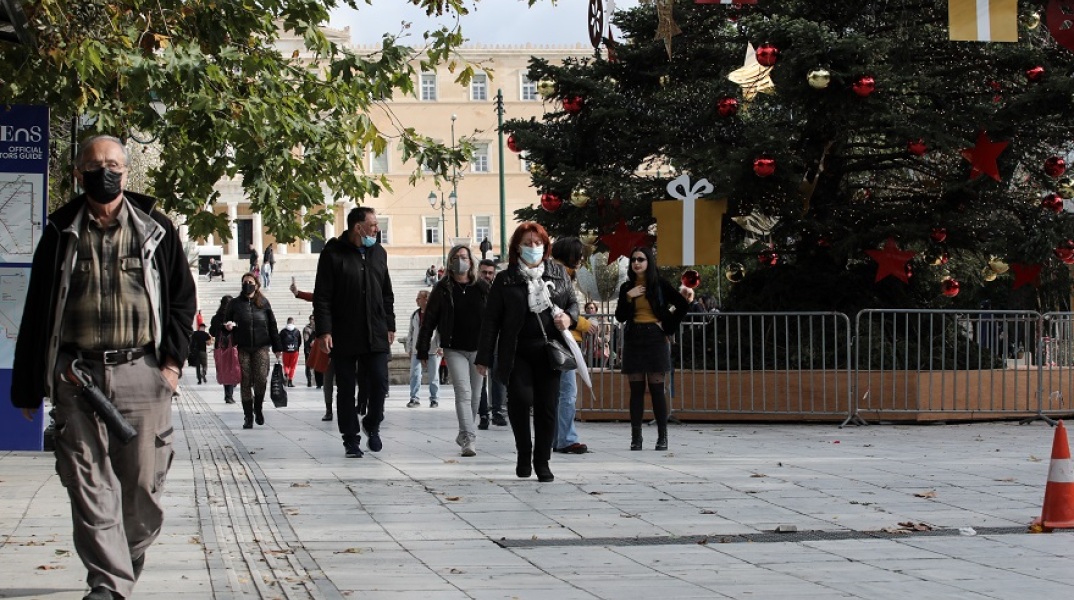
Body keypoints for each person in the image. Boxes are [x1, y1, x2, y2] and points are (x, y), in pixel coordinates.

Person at [10, 134, 196, 600]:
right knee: (87, 481)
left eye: (113, 164)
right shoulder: (60, 231)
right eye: (95, 165)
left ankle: (122, 557)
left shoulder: (156, 227)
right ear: (79, 173)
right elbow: (37, 310)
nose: (105, 172)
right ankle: (108, 583)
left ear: (127, 171)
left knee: (142, 488)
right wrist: (30, 386)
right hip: (77, 374)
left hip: (142, 371)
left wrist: (171, 365)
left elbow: (182, 300)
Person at [476, 222, 577, 483]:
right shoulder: (505, 278)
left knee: (547, 407)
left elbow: (573, 303)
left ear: (545, 246)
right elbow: (491, 321)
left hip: (550, 351)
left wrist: (569, 317)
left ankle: (542, 461)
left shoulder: (557, 273)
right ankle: (524, 451)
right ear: (517, 248)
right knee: (519, 400)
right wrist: (484, 358)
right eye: (527, 243)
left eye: (537, 243)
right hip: (517, 350)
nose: (533, 247)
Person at [313, 206, 395, 458]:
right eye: (372, 225)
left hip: (376, 330)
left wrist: (390, 324)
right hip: (344, 331)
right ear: (358, 227)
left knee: (380, 382)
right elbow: (323, 296)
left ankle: (372, 422)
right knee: (346, 387)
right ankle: (351, 438)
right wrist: (324, 330)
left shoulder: (378, 252)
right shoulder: (332, 253)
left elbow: (386, 292)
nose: (376, 229)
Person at [614, 246, 690, 451]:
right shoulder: (626, 287)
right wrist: (629, 297)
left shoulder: (660, 284)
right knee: (636, 390)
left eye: (641, 259)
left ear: (649, 262)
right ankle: (636, 438)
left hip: (655, 338)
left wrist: (666, 326)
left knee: (657, 389)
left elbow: (683, 305)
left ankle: (662, 437)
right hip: (634, 337)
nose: (636, 263)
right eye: (633, 260)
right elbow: (620, 317)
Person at [417, 244, 490, 457]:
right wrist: (422, 349)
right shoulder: (442, 288)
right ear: (450, 261)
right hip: (453, 347)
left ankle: (464, 433)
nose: (461, 260)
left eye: (464, 256)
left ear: (471, 260)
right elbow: (429, 320)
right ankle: (469, 438)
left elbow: (494, 318)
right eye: (457, 257)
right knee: (463, 392)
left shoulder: (482, 287)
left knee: (476, 396)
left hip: (478, 348)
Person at [225, 272, 283, 429]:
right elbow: (224, 323)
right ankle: (248, 416)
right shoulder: (235, 304)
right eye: (244, 282)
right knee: (245, 381)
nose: (247, 284)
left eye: (250, 282)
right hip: (242, 347)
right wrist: (228, 327)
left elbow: (272, 325)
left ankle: (258, 407)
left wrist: (278, 347)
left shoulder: (264, 303)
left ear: (256, 285)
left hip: (261, 346)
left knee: (261, 379)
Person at [550, 237, 591, 455]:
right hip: (564, 340)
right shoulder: (561, 275)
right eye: (579, 254)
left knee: (558, 392)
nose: (582, 259)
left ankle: (557, 437)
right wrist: (584, 323)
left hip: (561, 339)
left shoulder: (557, 273)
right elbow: (565, 310)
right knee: (567, 392)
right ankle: (566, 438)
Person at [291, 283, 336, 421]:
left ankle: (345, 407)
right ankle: (328, 409)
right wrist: (297, 293)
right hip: (328, 343)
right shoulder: (326, 296)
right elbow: (314, 297)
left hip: (345, 343)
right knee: (327, 379)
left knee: (345, 379)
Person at [477, 259, 507, 427]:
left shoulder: (499, 291)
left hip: (496, 339)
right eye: (484, 272)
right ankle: (483, 413)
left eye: (490, 273)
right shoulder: (473, 290)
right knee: (479, 378)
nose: (487, 276)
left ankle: (497, 411)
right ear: (478, 272)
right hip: (478, 339)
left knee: (497, 376)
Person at [405, 290, 440, 408]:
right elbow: (411, 332)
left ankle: (434, 399)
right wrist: (409, 347)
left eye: (419, 298)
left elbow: (440, 332)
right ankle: (414, 398)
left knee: (433, 375)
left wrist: (440, 346)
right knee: (414, 374)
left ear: (426, 299)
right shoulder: (415, 314)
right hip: (416, 349)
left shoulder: (435, 314)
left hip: (433, 349)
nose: (417, 300)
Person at [209, 295, 237, 404]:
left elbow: (211, 332)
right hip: (234, 346)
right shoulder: (235, 316)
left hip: (221, 347)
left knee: (226, 370)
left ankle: (228, 395)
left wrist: (220, 327)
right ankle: (231, 389)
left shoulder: (216, 317)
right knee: (234, 368)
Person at [279, 316, 302, 386]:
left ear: (287, 322)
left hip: (285, 350)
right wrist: (297, 348)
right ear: (293, 322)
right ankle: (290, 381)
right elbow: (299, 341)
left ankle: (286, 373)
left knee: (286, 365)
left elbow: (279, 341)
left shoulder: (283, 331)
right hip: (295, 351)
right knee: (293, 366)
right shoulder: (297, 331)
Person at [302, 314, 318, 387]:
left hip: (317, 349)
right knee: (308, 365)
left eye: (314, 319)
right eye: (312, 319)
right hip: (308, 349)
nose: (313, 321)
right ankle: (309, 380)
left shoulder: (319, 328)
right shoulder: (307, 328)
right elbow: (306, 339)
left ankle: (317, 380)